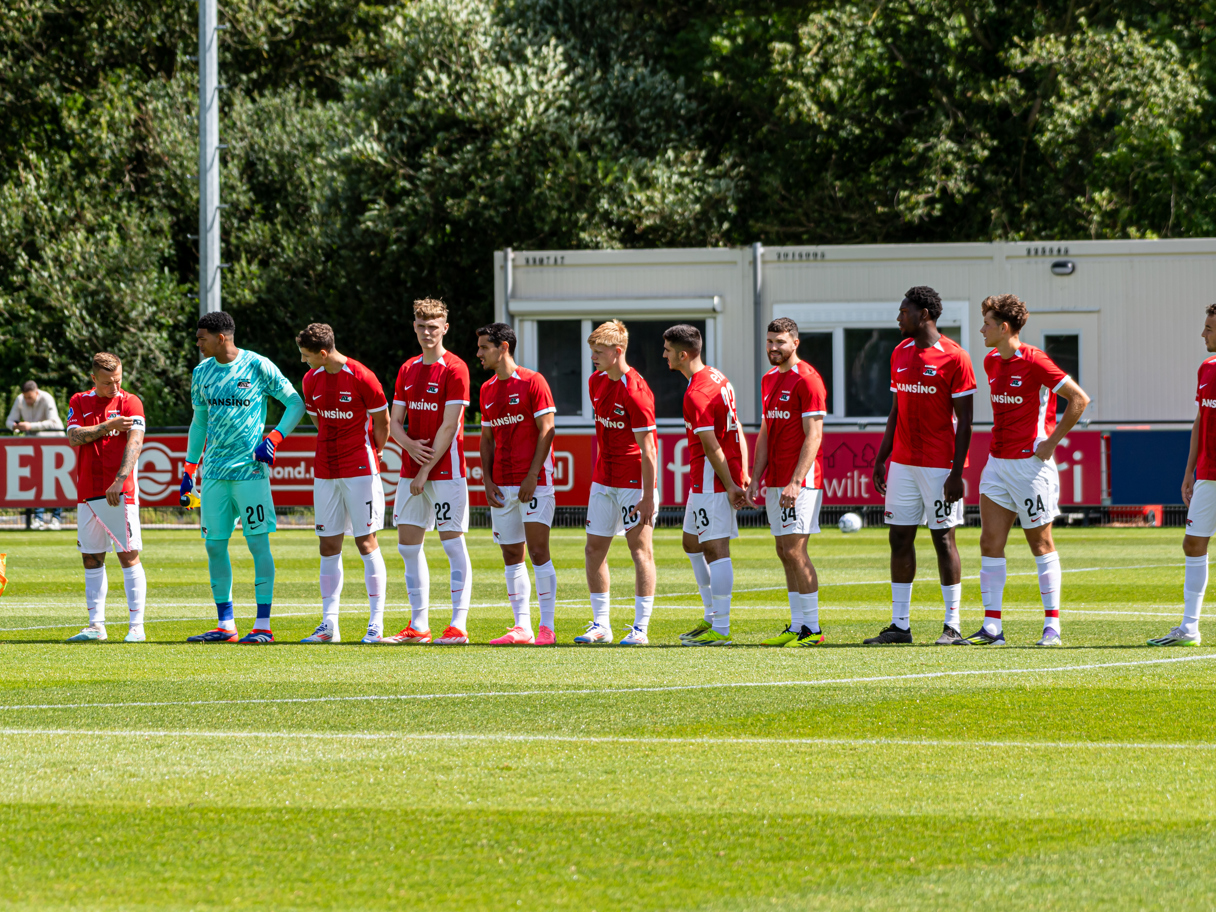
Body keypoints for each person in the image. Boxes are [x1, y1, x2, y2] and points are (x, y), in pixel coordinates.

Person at [969, 294, 1091, 647]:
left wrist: (1050, 443)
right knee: (989, 542)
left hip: (1030, 467)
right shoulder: (991, 361)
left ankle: (1052, 627)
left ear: (1004, 327)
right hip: (997, 464)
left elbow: (1079, 399)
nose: (982, 330)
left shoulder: (1036, 360)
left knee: (1040, 542)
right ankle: (992, 628)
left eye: (987, 324)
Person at [180, 311, 306, 643]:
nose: (198, 344)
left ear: (220, 337)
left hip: (250, 474)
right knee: (214, 546)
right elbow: (199, 423)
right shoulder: (201, 373)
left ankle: (263, 626)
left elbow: (295, 403)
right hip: (214, 475)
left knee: (257, 544)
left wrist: (274, 437)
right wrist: (190, 468)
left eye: (202, 338)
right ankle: (226, 625)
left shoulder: (257, 365)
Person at [869, 286, 976, 646]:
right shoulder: (899, 352)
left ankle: (953, 626)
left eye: (904, 312)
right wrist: (882, 457)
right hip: (902, 463)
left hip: (939, 466)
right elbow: (895, 411)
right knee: (899, 537)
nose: (898, 318)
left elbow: (966, 421)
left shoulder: (956, 357)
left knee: (943, 539)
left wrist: (957, 473)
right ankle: (900, 626)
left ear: (924, 315)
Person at [295, 323, 391, 644]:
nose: (304, 361)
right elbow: (318, 420)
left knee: (366, 542)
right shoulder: (310, 380)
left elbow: (383, 421)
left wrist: (374, 451)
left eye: (307, 356)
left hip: (360, 468)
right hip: (325, 469)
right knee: (328, 545)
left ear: (323, 353)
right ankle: (329, 626)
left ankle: (376, 624)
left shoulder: (362, 376)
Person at [388, 298, 473, 645]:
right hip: (411, 470)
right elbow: (394, 423)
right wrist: (409, 447)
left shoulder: (455, 368)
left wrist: (423, 471)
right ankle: (419, 625)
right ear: (414, 327)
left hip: (445, 471)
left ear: (445, 328)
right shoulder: (407, 368)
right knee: (408, 547)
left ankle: (458, 625)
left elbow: (450, 426)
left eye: (433, 327)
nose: (427, 332)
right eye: (422, 326)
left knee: (452, 544)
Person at [664, 324, 748, 646]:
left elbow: (712, 447)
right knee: (691, 543)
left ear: (683, 355)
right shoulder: (717, 376)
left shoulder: (696, 394)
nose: (664, 355)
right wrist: (742, 469)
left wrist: (731, 484)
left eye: (668, 350)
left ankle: (721, 628)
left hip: (713, 479)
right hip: (705, 478)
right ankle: (712, 615)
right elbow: (737, 425)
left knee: (715, 548)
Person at [747, 318, 829, 648]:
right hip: (775, 480)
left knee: (795, 551)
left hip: (800, 482)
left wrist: (796, 482)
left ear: (795, 343)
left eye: (780, 342)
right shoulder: (768, 379)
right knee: (783, 551)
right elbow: (766, 431)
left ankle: (813, 629)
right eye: (769, 341)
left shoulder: (808, 379)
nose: (773, 347)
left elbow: (814, 435)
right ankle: (797, 626)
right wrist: (755, 477)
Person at [475, 323, 559, 646]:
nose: (479, 353)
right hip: (502, 483)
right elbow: (487, 439)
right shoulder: (486, 389)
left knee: (537, 551)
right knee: (511, 553)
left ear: (503, 348)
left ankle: (547, 627)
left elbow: (547, 429)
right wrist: (487, 479)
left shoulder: (533, 381)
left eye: (484, 347)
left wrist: (533, 475)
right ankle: (521, 627)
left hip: (533, 482)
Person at [578, 320, 658, 646]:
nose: (593, 357)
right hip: (603, 479)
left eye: (599, 352)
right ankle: (601, 625)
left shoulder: (636, 392)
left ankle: (641, 628)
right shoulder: (595, 381)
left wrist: (648, 496)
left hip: (633, 483)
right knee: (593, 549)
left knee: (640, 551)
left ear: (618, 351)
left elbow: (649, 450)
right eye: (592, 351)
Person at [63, 353, 147, 642]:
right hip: (88, 491)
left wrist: (120, 480)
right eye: (107, 382)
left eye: (118, 380)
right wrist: (109, 426)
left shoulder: (131, 402)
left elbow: (135, 442)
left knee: (128, 555)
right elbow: (74, 437)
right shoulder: (79, 401)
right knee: (91, 557)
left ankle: (136, 627)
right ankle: (96, 626)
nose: (114, 387)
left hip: (120, 492)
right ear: (93, 379)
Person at [1149, 304, 1216, 647]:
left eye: (1209, 328)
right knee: (1192, 543)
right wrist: (1189, 471)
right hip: (1207, 474)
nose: (1203, 334)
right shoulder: (1206, 369)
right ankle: (1189, 628)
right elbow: (1200, 421)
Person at [7, 380, 66, 529]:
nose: (27, 401)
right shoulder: (20, 399)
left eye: (30, 397)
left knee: (55, 483)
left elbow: (54, 423)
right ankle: (38, 518)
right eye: (25, 397)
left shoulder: (47, 398)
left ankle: (56, 518)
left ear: (36, 392)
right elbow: (9, 421)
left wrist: (30, 426)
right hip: (35, 447)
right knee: (38, 481)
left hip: (54, 444)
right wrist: (16, 426)